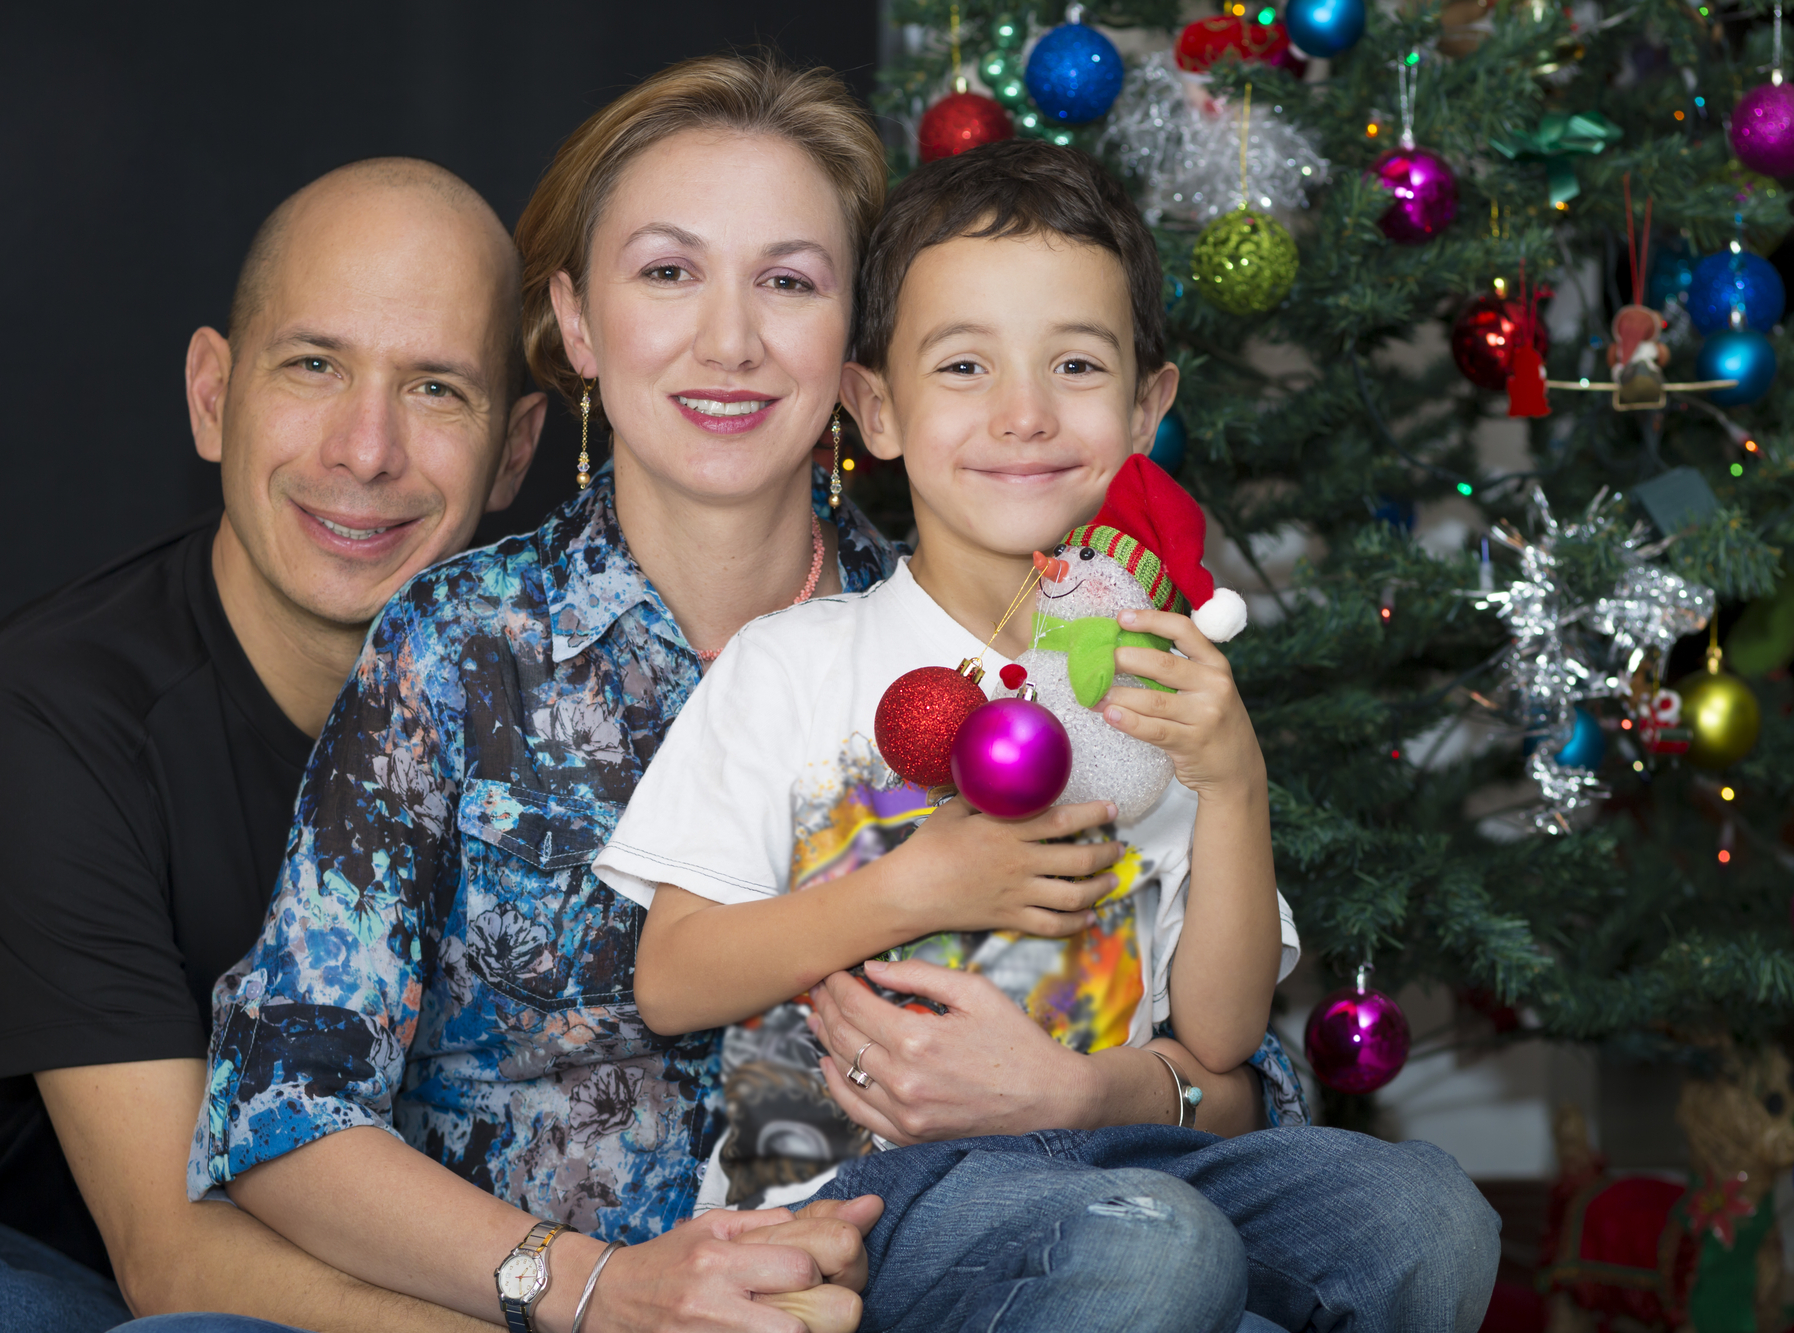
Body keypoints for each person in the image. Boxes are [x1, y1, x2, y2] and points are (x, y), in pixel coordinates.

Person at [593, 139, 1500, 1333]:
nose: (1022, 414)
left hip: (1117, 1138)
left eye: (1075, 364)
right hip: (861, 1190)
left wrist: (1232, 786)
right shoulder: (797, 662)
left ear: (1144, 407)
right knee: (1152, 1246)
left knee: (1429, 1212)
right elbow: (669, 978)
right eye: (963, 364)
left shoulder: (1153, 683)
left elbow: (1220, 1037)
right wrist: (913, 885)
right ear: (877, 408)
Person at [188, 55, 894, 1333]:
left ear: (856, 339)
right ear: (575, 324)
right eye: (667, 272)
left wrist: (1092, 1090)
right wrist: (591, 1290)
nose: (727, 339)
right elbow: (284, 1112)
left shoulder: (953, 657)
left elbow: (1232, 1075)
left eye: (788, 281)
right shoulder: (454, 648)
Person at [0, 157, 551, 1333]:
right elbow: (173, 1259)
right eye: (314, 366)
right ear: (213, 394)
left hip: (422, 1283)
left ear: (514, 449)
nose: (364, 449)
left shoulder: (578, 704)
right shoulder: (56, 708)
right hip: (40, 1285)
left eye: (437, 390)